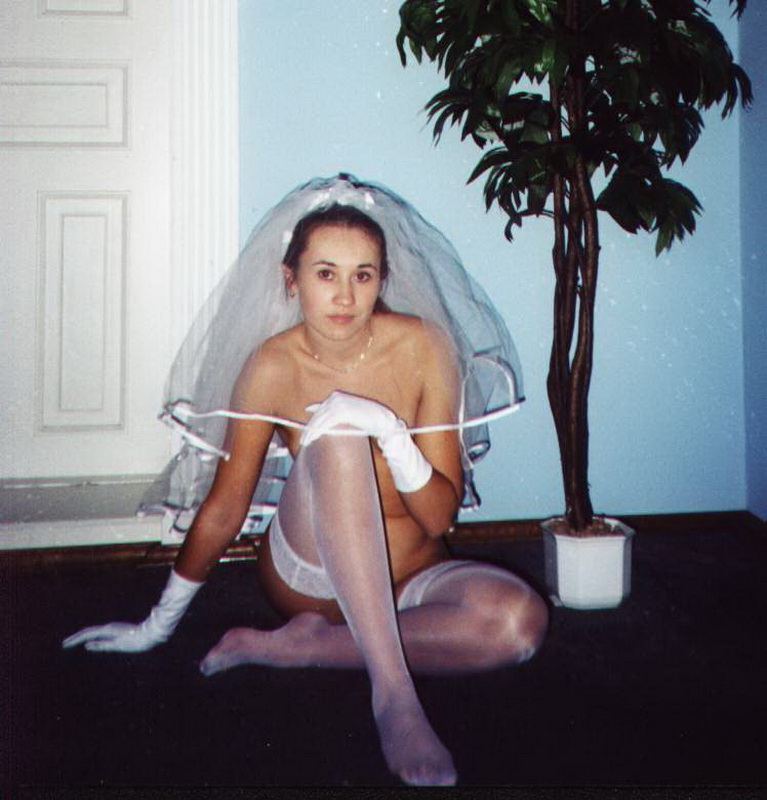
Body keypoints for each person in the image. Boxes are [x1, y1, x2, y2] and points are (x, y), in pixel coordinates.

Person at [63, 176, 548, 787]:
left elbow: (436, 518)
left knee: (518, 624)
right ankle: (394, 696)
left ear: (382, 280)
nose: (345, 295)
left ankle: (306, 647)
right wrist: (156, 624)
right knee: (338, 433)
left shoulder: (423, 347)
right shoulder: (273, 365)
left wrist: (390, 432)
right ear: (291, 280)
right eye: (325, 274)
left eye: (363, 275)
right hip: (311, 576)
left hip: (412, 573)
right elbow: (225, 507)